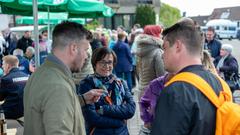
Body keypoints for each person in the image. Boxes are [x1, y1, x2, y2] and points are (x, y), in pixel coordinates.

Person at [23, 21, 103, 135]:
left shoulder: (43, 72)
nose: (86, 56)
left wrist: (82, 99)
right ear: (73, 48)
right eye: (85, 50)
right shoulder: (57, 85)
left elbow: (49, 107)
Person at [151, 18, 224, 135]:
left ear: (178, 46)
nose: (162, 55)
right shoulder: (220, 83)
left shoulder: (175, 91)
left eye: (164, 48)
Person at [78, 47, 136, 135]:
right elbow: (92, 118)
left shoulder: (121, 83)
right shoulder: (86, 84)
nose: (106, 66)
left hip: (122, 133)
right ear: (95, 64)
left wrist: (104, 109)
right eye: (102, 62)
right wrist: (120, 122)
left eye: (109, 62)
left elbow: (131, 110)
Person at [135, 25, 165, 100]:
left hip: (141, 91)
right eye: (160, 33)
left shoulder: (139, 51)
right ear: (155, 34)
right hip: (154, 93)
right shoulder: (158, 52)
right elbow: (162, 76)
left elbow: (138, 72)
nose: (161, 36)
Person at [0, 55, 28, 119]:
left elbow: (0, 98)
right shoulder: (27, 76)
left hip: (12, 111)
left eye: (3, 64)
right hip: (26, 109)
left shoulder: (6, 79)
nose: (2, 66)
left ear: (8, 65)